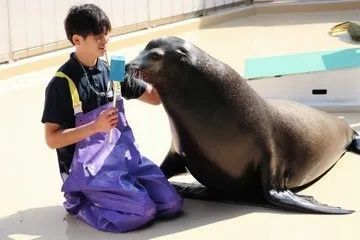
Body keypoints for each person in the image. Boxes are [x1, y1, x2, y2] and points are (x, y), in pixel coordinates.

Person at [41, 3, 182, 233]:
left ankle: (126, 192)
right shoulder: (62, 83)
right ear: (77, 40)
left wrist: (163, 68)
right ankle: (80, 202)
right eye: (98, 36)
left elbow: (154, 98)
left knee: (171, 203)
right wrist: (94, 127)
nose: (105, 41)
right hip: (89, 171)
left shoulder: (113, 71)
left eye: (106, 34)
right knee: (144, 211)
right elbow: (52, 139)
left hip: (124, 159)